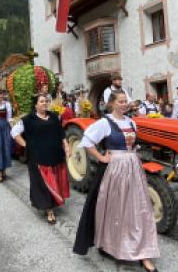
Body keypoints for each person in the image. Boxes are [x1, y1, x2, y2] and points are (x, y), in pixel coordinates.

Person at [73, 91, 160, 272]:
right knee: (116, 209)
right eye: (120, 102)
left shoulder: (131, 122)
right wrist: (101, 158)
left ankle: (143, 253)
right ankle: (112, 244)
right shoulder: (105, 123)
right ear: (111, 103)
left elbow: (134, 145)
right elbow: (87, 141)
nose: (124, 104)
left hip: (133, 168)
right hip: (116, 170)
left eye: (125, 101)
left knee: (139, 210)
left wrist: (133, 155)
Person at [11, 94, 70, 224]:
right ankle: (49, 210)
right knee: (45, 184)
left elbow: (61, 133)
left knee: (55, 182)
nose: (44, 103)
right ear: (35, 104)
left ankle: (53, 203)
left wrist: (66, 147)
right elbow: (14, 132)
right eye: (42, 101)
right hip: (39, 158)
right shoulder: (28, 119)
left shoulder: (54, 116)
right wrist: (26, 145)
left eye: (46, 101)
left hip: (56, 155)